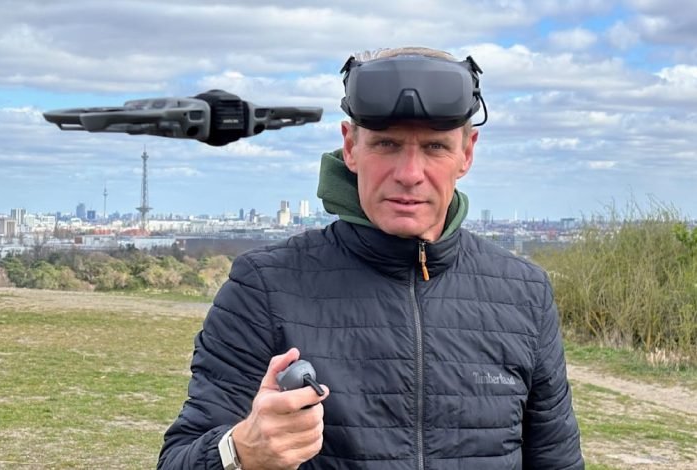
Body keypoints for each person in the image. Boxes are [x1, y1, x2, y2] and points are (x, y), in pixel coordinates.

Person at [157, 46, 584, 469]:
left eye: (435, 147)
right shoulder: (264, 287)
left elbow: (558, 461)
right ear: (350, 147)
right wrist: (240, 452)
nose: (409, 174)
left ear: (467, 153)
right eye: (386, 144)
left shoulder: (524, 293)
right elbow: (178, 459)